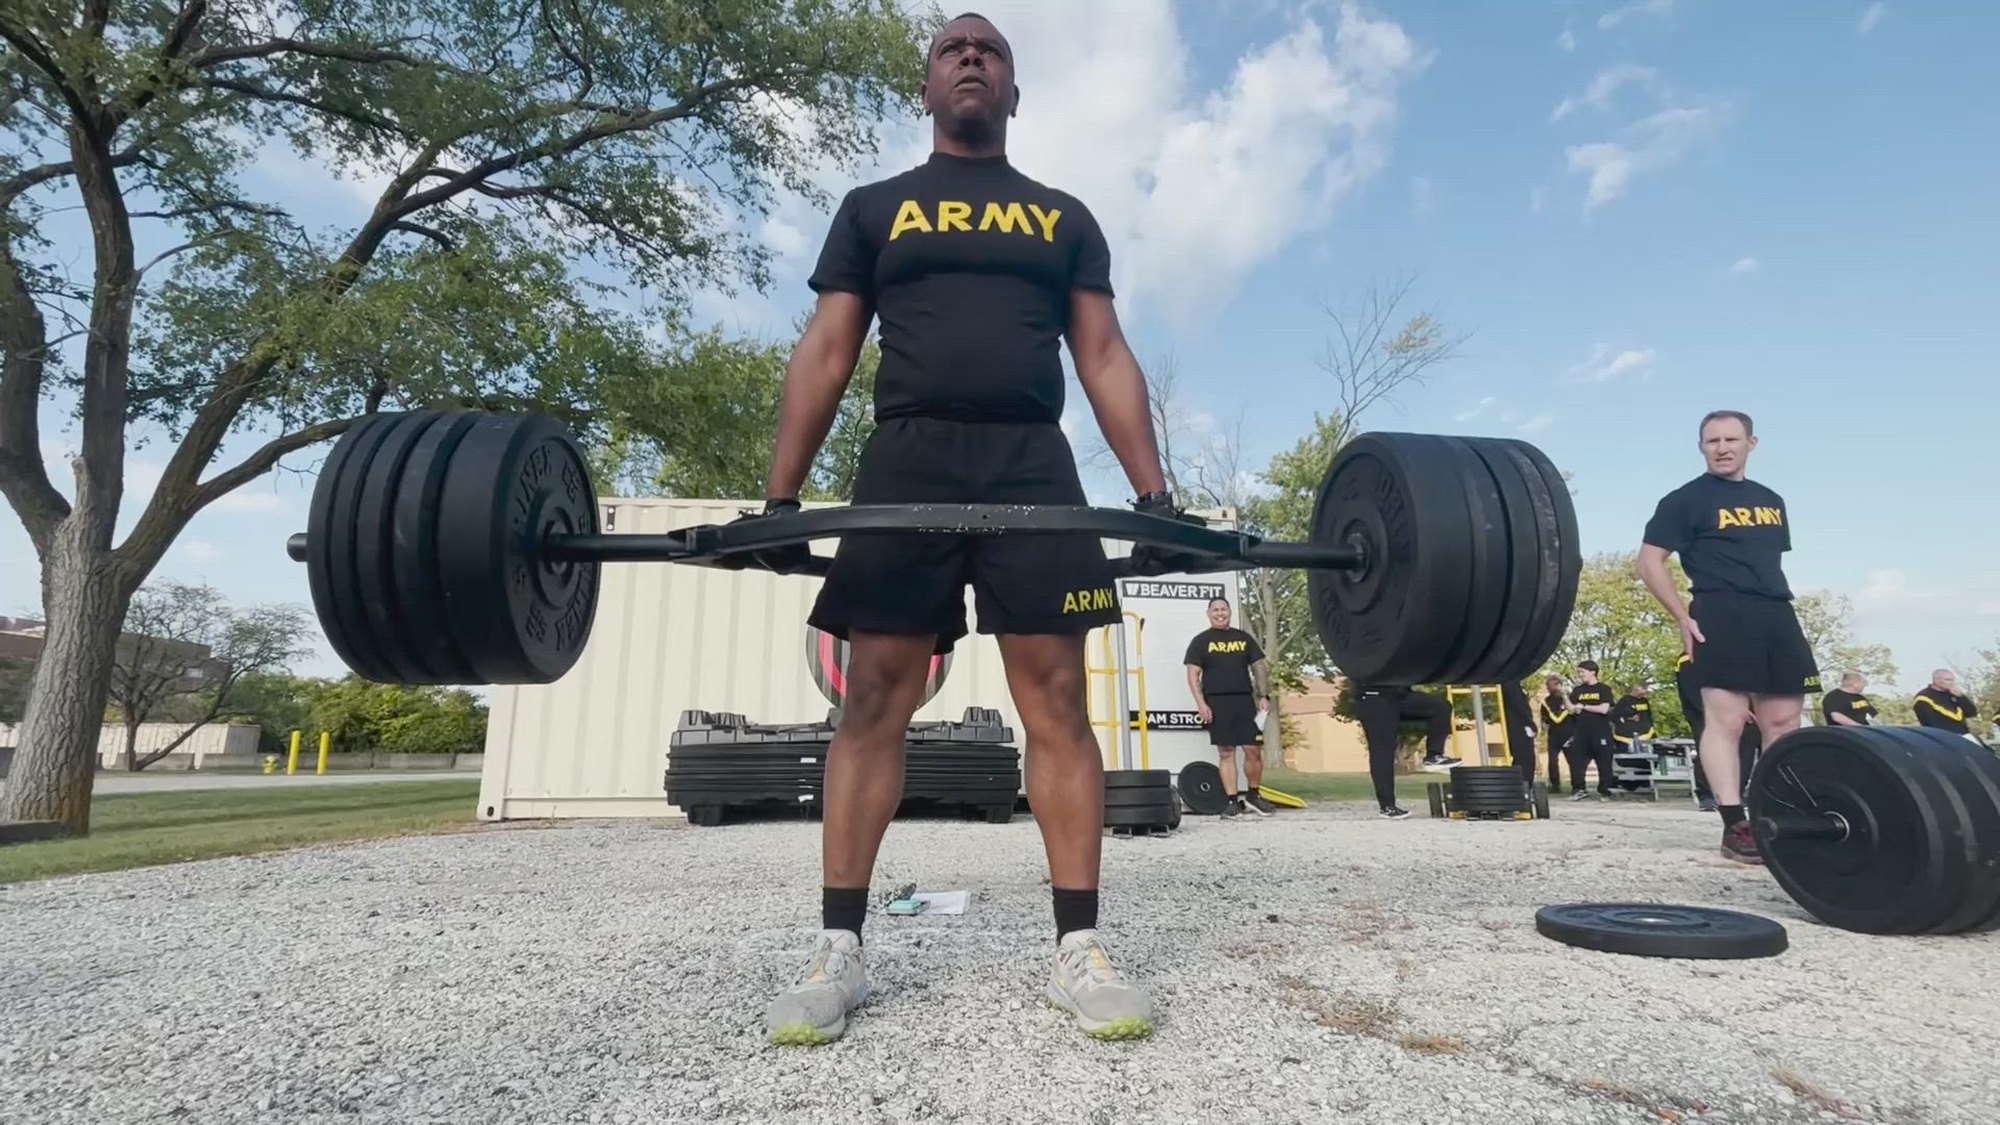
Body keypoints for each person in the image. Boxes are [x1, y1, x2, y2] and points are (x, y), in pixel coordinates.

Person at [750, 12, 1170, 1045]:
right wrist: (779, 499)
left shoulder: (1061, 215)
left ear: (1014, 95)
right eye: (952, 49)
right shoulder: (873, 209)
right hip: (908, 457)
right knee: (875, 698)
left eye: (989, 50)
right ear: (927, 90)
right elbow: (826, 348)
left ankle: (1077, 949)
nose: (971, 56)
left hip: (1032, 459)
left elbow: (1104, 355)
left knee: (1057, 698)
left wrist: (1152, 494)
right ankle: (838, 953)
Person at [1637, 409, 1820, 864]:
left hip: (1776, 611)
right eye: (1712, 440)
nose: (1722, 447)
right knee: (1729, 720)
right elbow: (1649, 561)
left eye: (1731, 439)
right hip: (1720, 610)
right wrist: (1681, 616)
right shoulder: (1684, 500)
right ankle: (1734, 824)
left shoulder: (1771, 500)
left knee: (1782, 721)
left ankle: (1772, 814)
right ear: (1700, 446)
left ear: (1750, 444)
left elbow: (1766, 561)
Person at [1183, 596, 1274, 817]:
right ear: (1209, 614)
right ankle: (1232, 801)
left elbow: (1259, 666)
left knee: (1253, 750)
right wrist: (1201, 704)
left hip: (1244, 700)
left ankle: (1253, 795)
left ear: (1229, 612)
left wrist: (1264, 696)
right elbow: (1193, 674)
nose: (1220, 613)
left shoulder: (1243, 638)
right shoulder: (1200, 641)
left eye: (1224, 609)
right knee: (1226, 751)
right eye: (1215, 610)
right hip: (1216, 702)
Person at [1348, 681, 1457, 819]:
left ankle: (1433, 756)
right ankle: (1387, 806)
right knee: (1382, 750)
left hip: (1400, 695)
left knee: (1440, 707)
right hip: (1373, 697)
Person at [1679, 651, 1762, 813]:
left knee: (1746, 749)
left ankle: (1736, 792)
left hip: (1745, 710)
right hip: (1706, 711)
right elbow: (1692, 690)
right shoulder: (1688, 657)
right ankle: (1707, 794)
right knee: (1712, 747)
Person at [1567, 661, 1619, 801]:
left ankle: (1605, 790)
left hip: (1600, 731)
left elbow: (1603, 709)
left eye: (1582, 672)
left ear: (1592, 672)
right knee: (1577, 761)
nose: (1580, 675)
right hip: (1581, 731)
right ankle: (1579, 789)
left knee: (1603, 762)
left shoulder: (1604, 689)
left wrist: (1584, 706)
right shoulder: (1577, 690)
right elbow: (1571, 709)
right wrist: (1563, 696)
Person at [1609, 681, 1655, 793]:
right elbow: (1614, 716)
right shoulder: (1625, 701)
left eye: (1645, 690)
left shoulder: (1644, 701)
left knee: (1649, 759)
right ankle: (1628, 783)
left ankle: (1643, 781)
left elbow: (1649, 716)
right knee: (1630, 760)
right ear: (1635, 689)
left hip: (1645, 735)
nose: (1644, 692)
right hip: (1627, 737)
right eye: (1642, 689)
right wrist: (1628, 718)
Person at [1913, 669, 1980, 738]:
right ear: (1936, 680)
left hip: (1963, 735)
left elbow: (1971, 713)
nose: (1951, 683)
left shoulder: (1953, 694)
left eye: (1952, 680)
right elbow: (1930, 722)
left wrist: (1961, 697)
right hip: (1941, 737)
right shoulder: (1923, 697)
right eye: (1947, 680)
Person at [1537, 675, 1575, 793]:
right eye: (1547, 686)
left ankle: (1577, 784)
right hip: (1554, 735)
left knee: (1573, 761)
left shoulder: (1569, 698)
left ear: (1558, 685)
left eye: (1550, 685)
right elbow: (1545, 718)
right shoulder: (1546, 702)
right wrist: (1543, 727)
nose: (1548, 688)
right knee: (1552, 761)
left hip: (1568, 734)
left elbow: (1574, 715)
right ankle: (1555, 784)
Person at [1500, 679, 1538, 790]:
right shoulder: (1510, 683)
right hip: (1518, 726)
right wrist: (1529, 723)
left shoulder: (1511, 683)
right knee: (1525, 757)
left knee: (1523, 758)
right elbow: (1518, 704)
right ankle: (1523, 786)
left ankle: (1521, 785)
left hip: (1517, 724)